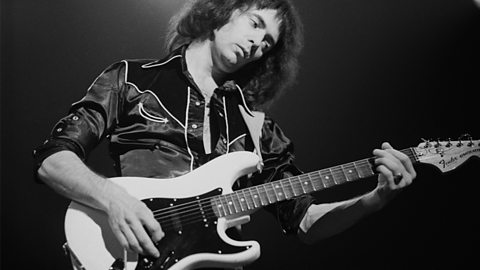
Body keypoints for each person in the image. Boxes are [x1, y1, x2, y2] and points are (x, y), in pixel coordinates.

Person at [33, 0, 416, 269]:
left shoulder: (257, 127)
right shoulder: (132, 79)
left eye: (268, 44)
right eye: (255, 24)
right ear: (223, 11)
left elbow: (306, 222)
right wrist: (112, 199)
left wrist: (375, 198)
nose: (257, 44)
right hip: (132, 254)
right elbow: (54, 159)